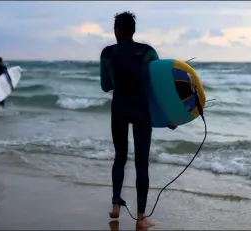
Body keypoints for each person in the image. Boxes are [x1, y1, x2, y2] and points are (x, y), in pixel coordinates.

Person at [100, 11, 176, 230]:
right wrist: (169, 115)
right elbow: (159, 87)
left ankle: (116, 204)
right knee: (141, 163)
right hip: (141, 109)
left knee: (120, 157)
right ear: (133, 31)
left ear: (116, 31)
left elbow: (106, 85)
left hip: (119, 108)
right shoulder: (148, 52)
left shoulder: (108, 53)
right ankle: (141, 218)